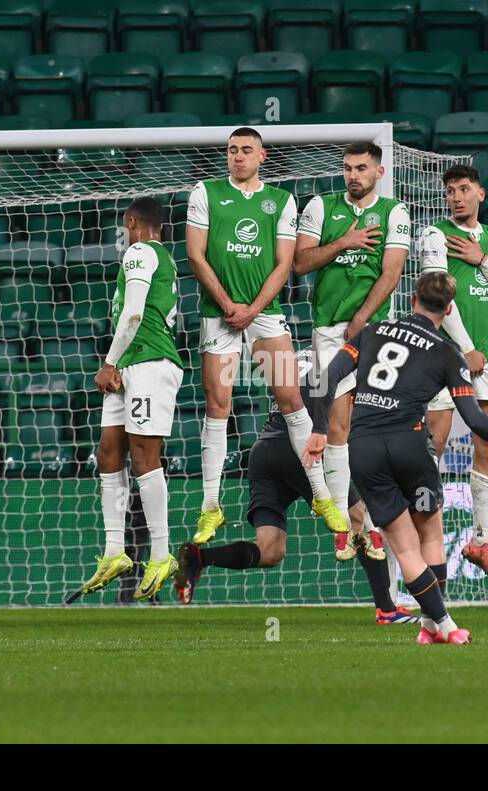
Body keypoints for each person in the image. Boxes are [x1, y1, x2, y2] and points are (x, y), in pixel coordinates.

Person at [304, 272, 488, 644]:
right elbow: (475, 418)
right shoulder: (449, 354)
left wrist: (320, 429)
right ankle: (445, 626)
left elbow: (325, 377)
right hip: (410, 446)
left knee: (402, 544)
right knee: (430, 532)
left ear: (413, 298)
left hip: (364, 448)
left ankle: (431, 627)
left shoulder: (371, 332)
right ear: (449, 309)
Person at [186, 127, 345, 546]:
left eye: (245, 151)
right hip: (217, 315)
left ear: (262, 155)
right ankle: (210, 508)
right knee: (218, 405)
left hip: (265, 315)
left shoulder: (282, 201)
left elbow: (284, 264)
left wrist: (252, 310)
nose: (237, 157)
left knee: (291, 399)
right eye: (232, 150)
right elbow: (195, 255)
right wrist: (227, 305)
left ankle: (322, 494)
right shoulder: (206, 192)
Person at [173, 368, 420, 625]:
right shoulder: (346, 367)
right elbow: (341, 426)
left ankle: (199, 558)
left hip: (265, 452)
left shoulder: (290, 360)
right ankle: (387, 610)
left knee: (270, 550)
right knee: (359, 519)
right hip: (305, 452)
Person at [293, 140, 411, 560]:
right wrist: (343, 243)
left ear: (378, 172)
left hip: (376, 332)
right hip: (327, 331)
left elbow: (392, 271)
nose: (353, 175)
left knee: (375, 431)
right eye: (347, 168)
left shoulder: (394, 212)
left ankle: (378, 527)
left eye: (361, 168)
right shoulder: (320, 208)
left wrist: (362, 320)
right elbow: (300, 263)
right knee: (337, 426)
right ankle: (345, 525)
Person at [79, 197, 185, 601]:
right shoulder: (164, 258)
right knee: (108, 453)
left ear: (131, 223)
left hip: (150, 362)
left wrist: (108, 363)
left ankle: (160, 553)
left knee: (144, 457)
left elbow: (135, 314)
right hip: (130, 365)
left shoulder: (140, 251)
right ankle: (114, 550)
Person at [420, 164, 488, 584]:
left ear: (481, 193)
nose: (456, 196)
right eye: (450, 191)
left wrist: (483, 261)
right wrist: (466, 348)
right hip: (442, 354)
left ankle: (482, 541)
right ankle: (419, 549)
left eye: (464, 189)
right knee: (432, 448)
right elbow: (439, 294)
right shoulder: (434, 234)